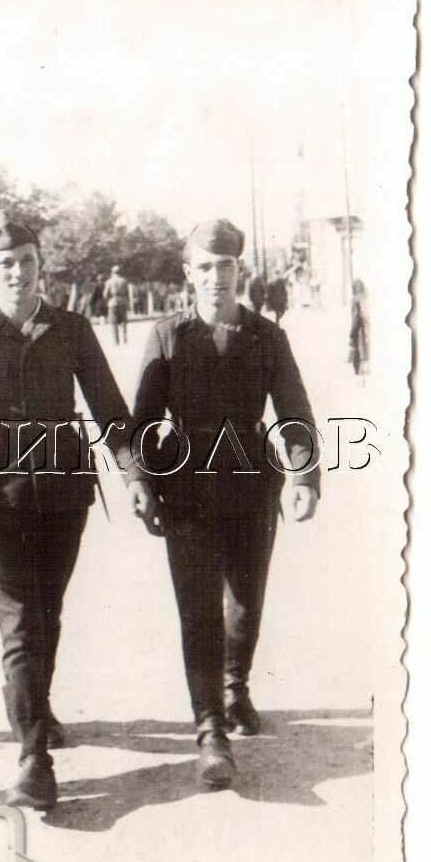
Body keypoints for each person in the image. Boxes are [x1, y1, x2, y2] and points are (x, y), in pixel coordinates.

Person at [0, 210, 133, 811]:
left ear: (39, 265)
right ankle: (33, 759)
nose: (18, 273)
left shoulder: (72, 329)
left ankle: (36, 708)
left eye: (26, 261)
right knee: (20, 621)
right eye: (6, 264)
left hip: (64, 487)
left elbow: (108, 406)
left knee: (48, 611)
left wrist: (135, 476)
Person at [128, 219, 319, 790]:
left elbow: (295, 410)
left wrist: (305, 473)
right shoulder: (166, 336)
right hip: (185, 489)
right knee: (199, 611)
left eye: (226, 266)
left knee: (245, 606)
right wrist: (140, 479)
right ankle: (209, 726)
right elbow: (141, 422)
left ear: (242, 271)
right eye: (205, 267)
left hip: (251, 486)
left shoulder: (267, 336)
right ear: (189, 274)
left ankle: (234, 687)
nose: (216, 277)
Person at [103, 264, 129, 344]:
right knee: (123, 322)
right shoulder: (124, 281)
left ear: (112, 272)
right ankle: (124, 339)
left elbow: (105, 294)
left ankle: (116, 341)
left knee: (113, 322)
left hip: (113, 303)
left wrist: (107, 300)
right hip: (123, 301)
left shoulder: (109, 281)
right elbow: (127, 293)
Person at [349, 279, 369, 379]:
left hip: (359, 326)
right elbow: (356, 314)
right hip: (360, 326)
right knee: (361, 347)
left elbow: (355, 315)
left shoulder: (356, 299)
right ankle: (360, 368)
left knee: (359, 347)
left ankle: (359, 369)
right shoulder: (360, 299)